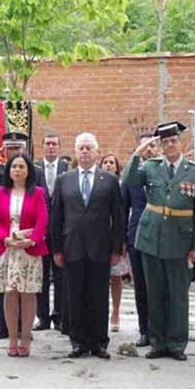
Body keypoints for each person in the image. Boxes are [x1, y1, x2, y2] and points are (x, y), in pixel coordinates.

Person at [122, 121, 195, 361]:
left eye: (173, 141)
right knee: (155, 293)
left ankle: (177, 343)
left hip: (180, 240)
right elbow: (128, 180)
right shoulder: (150, 167)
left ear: (181, 143)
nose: (170, 145)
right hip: (151, 238)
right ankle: (158, 342)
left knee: (178, 294)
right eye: (165, 142)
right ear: (159, 146)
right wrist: (139, 152)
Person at [50, 132, 125, 359]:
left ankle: (98, 342)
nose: (84, 152)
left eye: (88, 148)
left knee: (99, 295)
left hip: (100, 247)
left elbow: (118, 217)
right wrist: (56, 248)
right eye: (81, 148)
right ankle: (78, 341)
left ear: (96, 153)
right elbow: (56, 216)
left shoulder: (109, 181)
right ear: (75, 152)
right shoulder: (64, 180)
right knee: (75, 295)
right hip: (72, 246)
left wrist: (116, 248)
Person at [0, 132, 48, 341]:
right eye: (9, 148)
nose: (13, 152)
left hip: (27, 238)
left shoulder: (35, 173)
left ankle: (25, 329)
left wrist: (33, 237)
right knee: (4, 286)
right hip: (2, 236)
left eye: (17, 148)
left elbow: (44, 206)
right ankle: (2, 326)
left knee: (26, 287)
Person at [0, 154, 49, 357]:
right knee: (10, 292)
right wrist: (5, 238)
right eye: (14, 166)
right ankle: (12, 339)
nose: (17, 170)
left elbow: (42, 220)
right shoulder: (0, 192)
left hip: (28, 249)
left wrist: (32, 241)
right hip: (7, 248)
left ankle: (26, 338)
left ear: (28, 170)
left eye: (21, 166)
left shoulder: (37, 192)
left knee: (27, 293)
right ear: (8, 170)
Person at [122, 132, 159, 347]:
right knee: (141, 287)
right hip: (136, 234)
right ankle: (145, 330)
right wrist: (122, 241)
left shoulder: (163, 171)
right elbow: (123, 207)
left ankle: (161, 330)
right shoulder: (133, 175)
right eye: (145, 146)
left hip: (160, 235)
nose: (149, 149)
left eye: (153, 145)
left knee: (159, 286)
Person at [33, 133, 68, 332]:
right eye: (48, 144)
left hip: (61, 230)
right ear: (43, 147)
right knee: (42, 276)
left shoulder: (66, 168)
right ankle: (43, 317)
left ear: (59, 147)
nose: (51, 147)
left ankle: (60, 316)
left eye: (55, 144)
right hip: (41, 231)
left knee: (61, 274)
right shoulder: (36, 168)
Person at [99, 153, 130, 333]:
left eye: (112, 162)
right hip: (98, 237)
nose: (108, 165)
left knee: (115, 278)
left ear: (117, 167)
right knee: (99, 279)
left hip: (115, 236)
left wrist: (122, 239)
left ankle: (116, 312)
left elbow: (123, 213)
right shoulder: (96, 184)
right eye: (105, 162)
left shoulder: (121, 186)